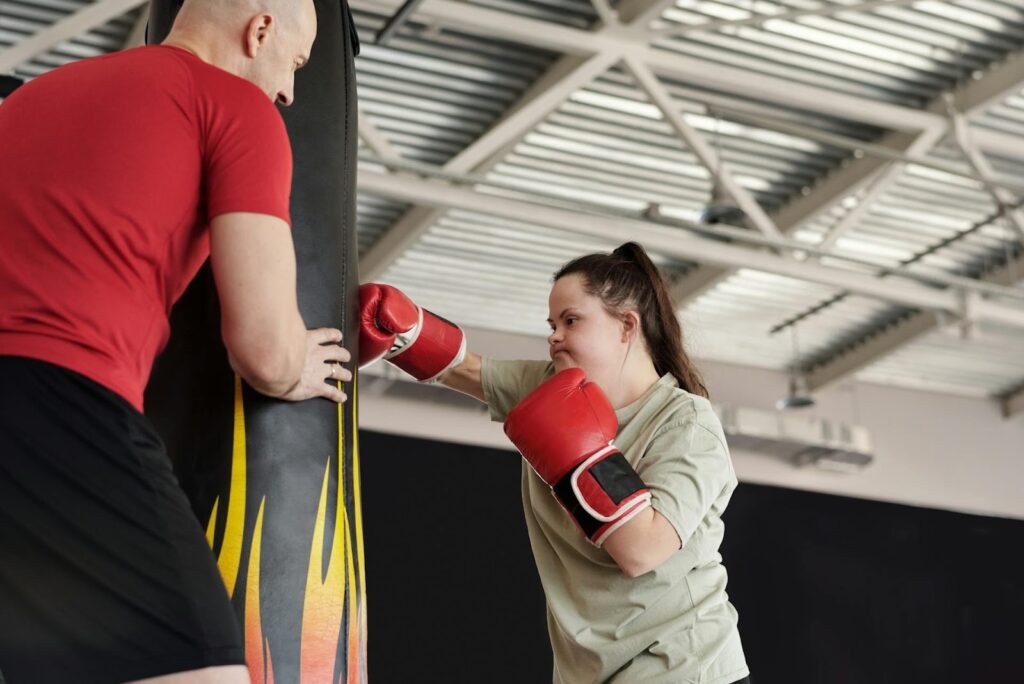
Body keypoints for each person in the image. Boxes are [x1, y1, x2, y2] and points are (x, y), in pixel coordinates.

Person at [0, 1, 352, 682]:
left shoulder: (33, 97)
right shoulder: (235, 107)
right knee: (205, 671)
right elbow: (262, 348)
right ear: (260, 30)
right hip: (59, 401)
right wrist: (293, 366)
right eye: (296, 63)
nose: (289, 91)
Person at [358, 241, 751, 684]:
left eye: (571, 320)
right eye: (552, 323)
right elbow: (465, 371)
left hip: (683, 665)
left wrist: (578, 450)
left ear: (626, 326)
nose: (554, 336)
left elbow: (642, 550)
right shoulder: (550, 384)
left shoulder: (685, 423)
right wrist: (401, 333)